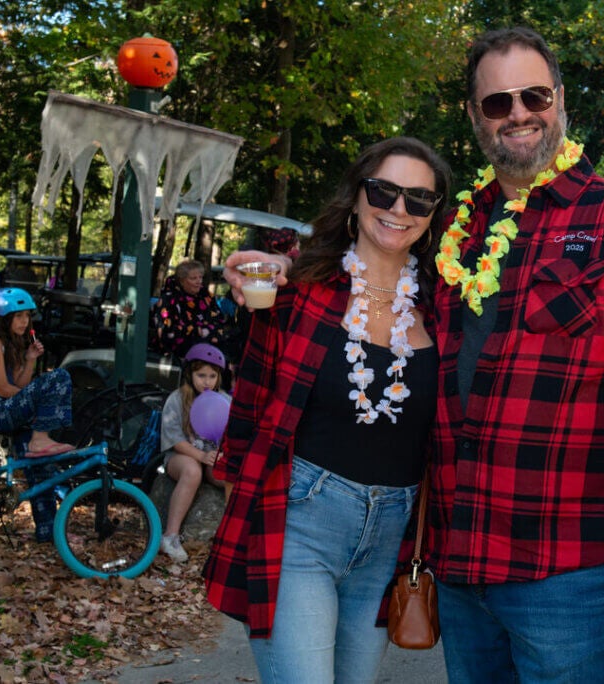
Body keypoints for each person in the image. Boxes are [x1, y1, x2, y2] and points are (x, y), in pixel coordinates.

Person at [222, 27, 604, 683]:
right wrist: (278, 273)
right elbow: (370, 277)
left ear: (559, 100)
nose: (517, 113)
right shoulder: (458, 229)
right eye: (496, 102)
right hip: (458, 565)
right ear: (474, 116)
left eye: (533, 95)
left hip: (564, 569)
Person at [203, 136, 452, 682]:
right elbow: (248, 408)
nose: (398, 208)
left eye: (419, 199)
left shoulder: (446, 306)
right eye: (384, 190)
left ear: (434, 216)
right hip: (301, 524)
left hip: (393, 536)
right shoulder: (300, 291)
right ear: (358, 195)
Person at [0, 287, 75, 542]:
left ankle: (47, 531)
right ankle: (41, 438)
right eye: (18, 316)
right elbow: (4, 389)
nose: (24, 321)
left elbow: (19, 381)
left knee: (40, 468)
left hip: (11, 408)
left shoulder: (12, 343)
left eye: (27, 316)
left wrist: (29, 359)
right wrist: (34, 398)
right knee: (60, 377)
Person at [158, 343, 228, 562]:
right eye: (201, 375)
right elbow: (176, 441)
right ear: (189, 374)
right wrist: (200, 457)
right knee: (192, 471)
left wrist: (221, 454)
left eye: (212, 376)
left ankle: (231, 534)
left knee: (228, 474)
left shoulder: (225, 402)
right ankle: (170, 536)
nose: (207, 382)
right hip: (182, 457)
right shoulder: (177, 399)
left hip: (211, 459)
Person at [150, 259, 240, 362]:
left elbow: (218, 320)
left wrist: (207, 331)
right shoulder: (168, 299)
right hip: (180, 350)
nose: (199, 282)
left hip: (209, 344)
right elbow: (166, 331)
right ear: (182, 280)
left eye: (200, 277)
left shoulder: (205, 295)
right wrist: (198, 331)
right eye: (193, 278)